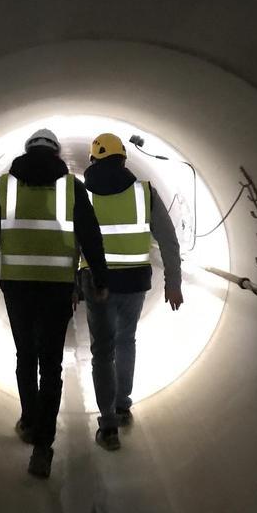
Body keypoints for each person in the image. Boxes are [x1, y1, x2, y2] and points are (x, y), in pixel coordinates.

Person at [0, 128, 110, 478]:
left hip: (17, 287)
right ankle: (43, 446)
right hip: (56, 288)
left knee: (25, 356)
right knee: (50, 366)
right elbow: (90, 234)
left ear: (27, 151)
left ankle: (29, 420)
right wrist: (100, 277)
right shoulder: (71, 188)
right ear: (56, 154)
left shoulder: (3, 185)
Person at [78, 133, 183, 451]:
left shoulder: (82, 195)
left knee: (102, 351)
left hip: (98, 283)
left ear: (93, 160)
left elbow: (74, 241)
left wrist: (71, 284)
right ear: (124, 159)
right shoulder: (145, 192)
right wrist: (173, 282)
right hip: (135, 282)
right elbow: (168, 239)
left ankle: (108, 425)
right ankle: (123, 405)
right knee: (126, 341)